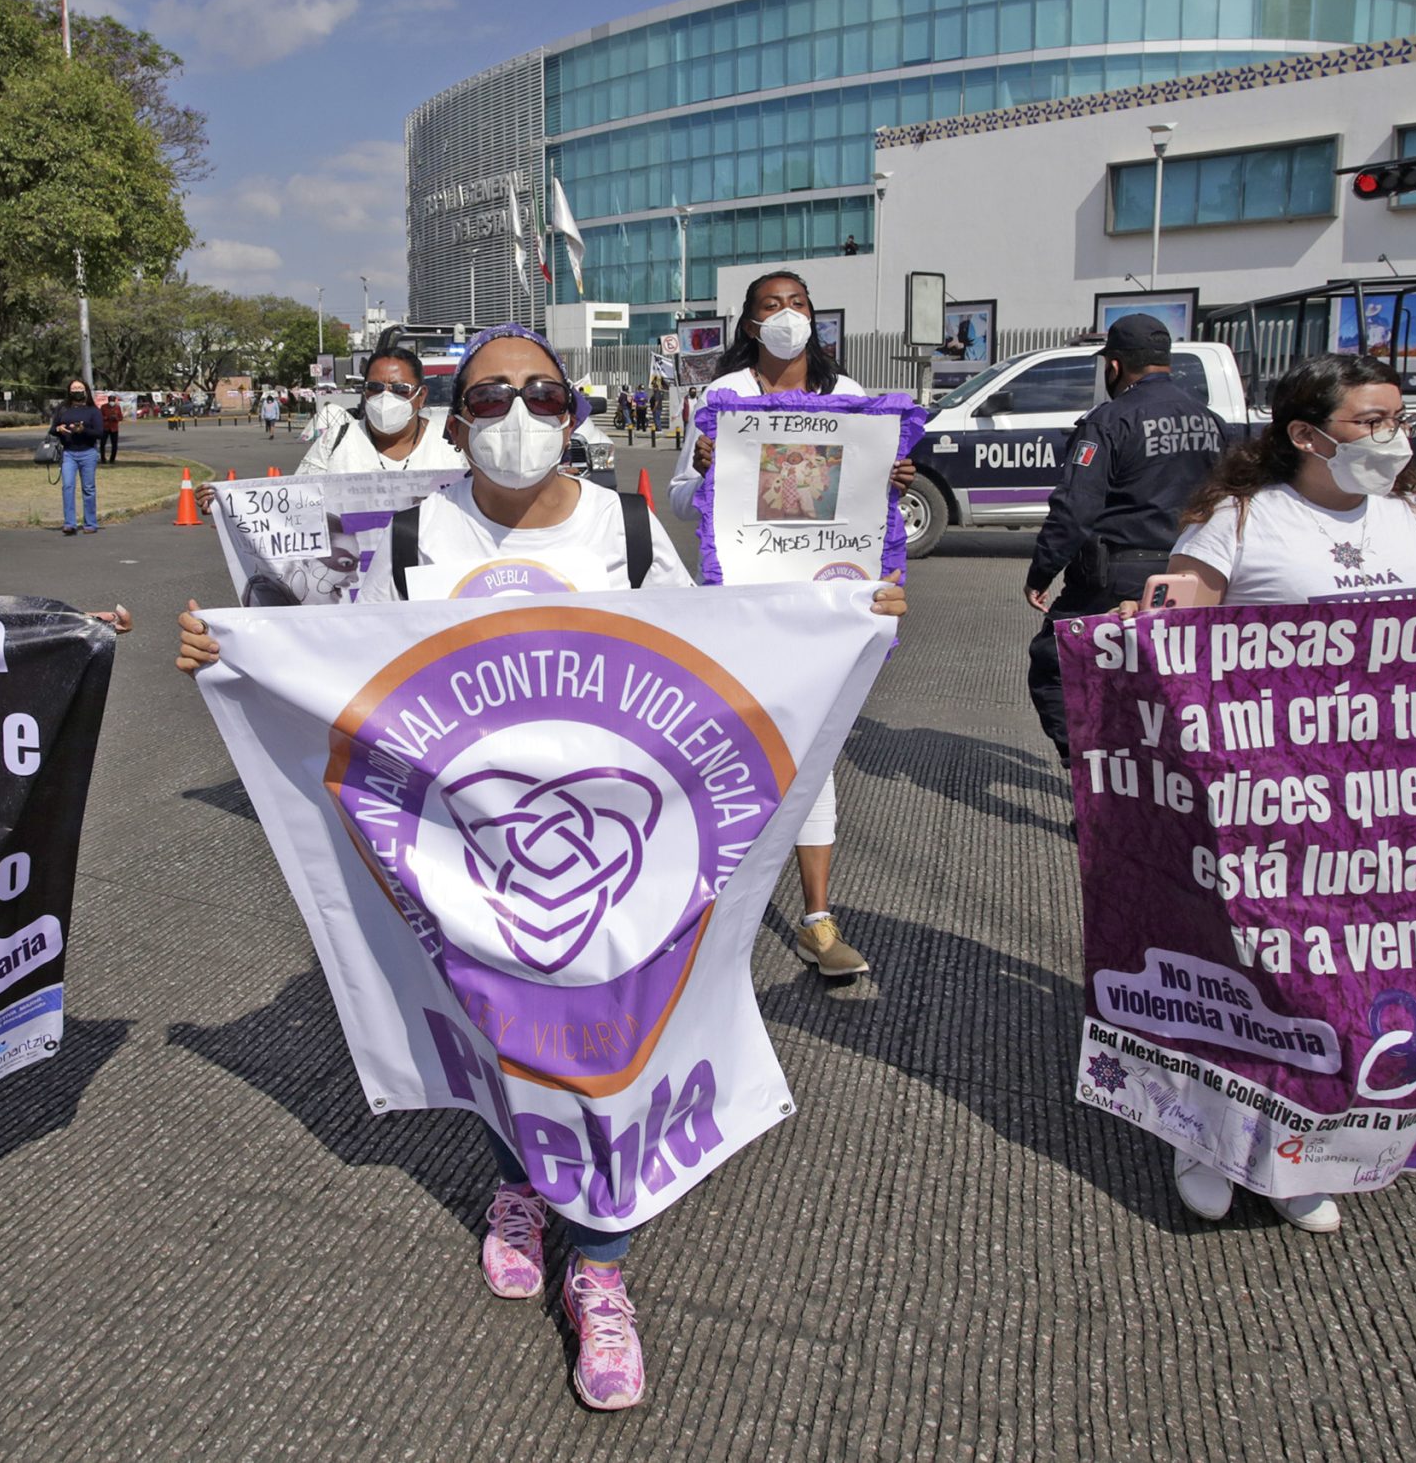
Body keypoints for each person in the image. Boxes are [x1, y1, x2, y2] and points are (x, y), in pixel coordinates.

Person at [178, 322, 908, 1413]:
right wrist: (234, 656)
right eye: (485, 398)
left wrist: (840, 618)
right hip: (475, 848)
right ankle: (521, 1183)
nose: (514, 418)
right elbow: (357, 666)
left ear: (574, 413)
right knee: (502, 1029)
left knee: (609, 1045)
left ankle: (600, 1267)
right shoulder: (420, 531)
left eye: (540, 396)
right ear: (451, 414)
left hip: (623, 845)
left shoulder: (622, 525)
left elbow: (713, 649)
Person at [1157, 353, 1416, 1234]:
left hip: (1387, 796)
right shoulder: (1240, 521)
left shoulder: (1415, 520)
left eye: (1399, 418)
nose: (1393, 437)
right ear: (1306, 434)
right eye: (1371, 421)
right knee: (1250, 969)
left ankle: (1302, 1148)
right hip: (1264, 793)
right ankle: (1208, 1131)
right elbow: (1173, 649)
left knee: (1348, 977)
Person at [671, 269, 916, 981]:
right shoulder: (723, 402)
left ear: (815, 317)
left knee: (815, 752)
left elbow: (870, 501)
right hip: (745, 606)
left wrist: (890, 483)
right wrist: (709, 473)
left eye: (798, 303)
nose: (786, 315)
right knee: (732, 751)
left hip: (825, 606)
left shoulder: (850, 401)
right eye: (771, 306)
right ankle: (712, 916)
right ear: (750, 324)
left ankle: (816, 919)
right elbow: (684, 502)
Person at [1023, 315, 1226, 765]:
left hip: (1114, 577)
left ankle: (1095, 781)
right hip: (1190, 577)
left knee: (1055, 667)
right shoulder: (1210, 421)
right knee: (1163, 684)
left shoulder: (1109, 420)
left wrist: (1041, 572)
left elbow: (1075, 508)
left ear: (1114, 367)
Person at [295, 343, 468, 475]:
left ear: (421, 396)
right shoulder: (335, 441)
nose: (385, 397)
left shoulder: (449, 447)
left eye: (400, 389)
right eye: (375, 387)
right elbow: (302, 503)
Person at [49, 379, 104, 536]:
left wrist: (82, 430)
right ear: (69, 391)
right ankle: (70, 523)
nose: (77, 390)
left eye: (80, 388)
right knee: (67, 486)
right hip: (68, 453)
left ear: (86, 391)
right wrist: (59, 429)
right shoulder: (63, 409)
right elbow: (52, 429)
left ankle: (91, 523)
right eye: (74, 388)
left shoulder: (93, 410)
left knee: (88, 488)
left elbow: (99, 433)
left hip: (88, 453)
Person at [98, 392, 123, 463]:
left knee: (114, 444)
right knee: (102, 444)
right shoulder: (104, 407)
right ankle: (103, 459)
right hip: (105, 428)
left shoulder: (117, 407)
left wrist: (116, 418)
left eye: (113, 400)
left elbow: (121, 417)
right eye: (110, 400)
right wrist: (107, 417)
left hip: (114, 428)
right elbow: (100, 417)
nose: (111, 402)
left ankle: (112, 459)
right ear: (108, 400)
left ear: (115, 400)